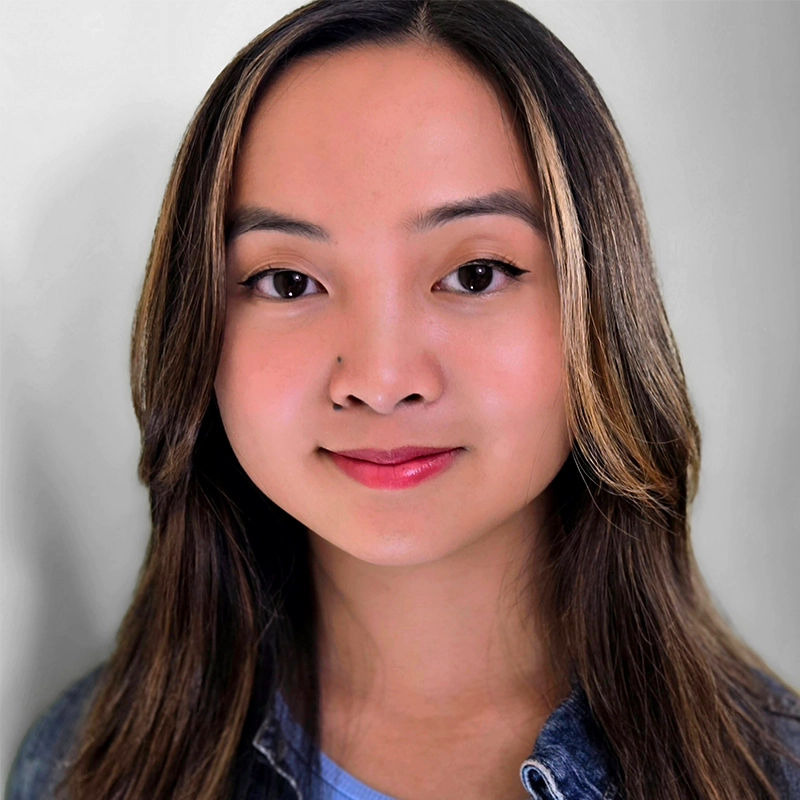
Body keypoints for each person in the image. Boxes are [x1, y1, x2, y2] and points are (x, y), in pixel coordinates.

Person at [6, 1, 800, 799]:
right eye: (289, 282)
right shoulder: (79, 768)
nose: (382, 380)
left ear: (600, 309)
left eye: (475, 274)